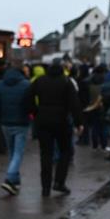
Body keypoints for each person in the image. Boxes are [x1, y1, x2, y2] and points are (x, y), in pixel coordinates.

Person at [30, 61, 83, 196]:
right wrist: (79, 123)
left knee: (45, 154)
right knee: (65, 151)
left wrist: (35, 112)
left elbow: (28, 97)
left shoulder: (40, 81)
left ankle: (45, 187)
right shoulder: (66, 82)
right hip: (62, 121)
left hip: (43, 120)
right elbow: (74, 103)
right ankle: (59, 182)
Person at [0, 66, 33, 195]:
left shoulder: (0, 84)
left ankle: (15, 181)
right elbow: (30, 104)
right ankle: (9, 178)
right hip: (21, 122)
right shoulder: (26, 84)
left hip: (5, 122)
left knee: (12, 152)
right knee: (18, 153)